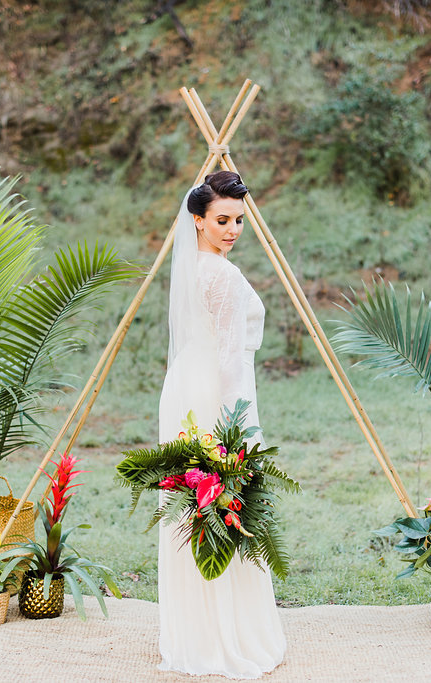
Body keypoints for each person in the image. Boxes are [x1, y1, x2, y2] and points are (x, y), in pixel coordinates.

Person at [157, 171, 286, 678]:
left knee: (194, 508)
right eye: (222, 220)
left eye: (238, 220)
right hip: (215, 393)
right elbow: (231, 358)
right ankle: (226, 637)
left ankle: (197, 633)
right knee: (220, 502)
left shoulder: (194, 269)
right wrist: (240, 430)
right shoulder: (224, 276)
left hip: (184, 387)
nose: (232, 229)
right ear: (198, 220)